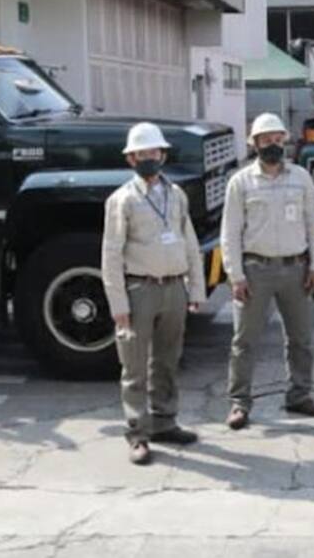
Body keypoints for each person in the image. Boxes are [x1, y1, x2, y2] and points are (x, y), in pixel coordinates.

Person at [101, 121, 206, 465]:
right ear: (131, 159)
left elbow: (189, 242)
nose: (148, 158)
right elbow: (111, 254)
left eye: (153, 153)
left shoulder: (175, 195)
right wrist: (118, 304)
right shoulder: (122, 200)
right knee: (134, 365)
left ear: (163, 155)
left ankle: (165, 421)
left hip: (173, 286)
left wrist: (196, 288)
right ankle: (137, 432)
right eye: (141, 154)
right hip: (139, 289)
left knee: (167, 360)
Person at [221, 112, 314, 430]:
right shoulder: (241, 182)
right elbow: (230, 232)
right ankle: (239, 403)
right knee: (244, 341)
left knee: (300, 339)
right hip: (256, 271)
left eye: (277, 138)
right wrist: (235, 274)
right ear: (254, 144)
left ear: (285, 141)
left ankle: (299, 395)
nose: (272, 144)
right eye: (265, 139)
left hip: (296, 269)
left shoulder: (301, 178)